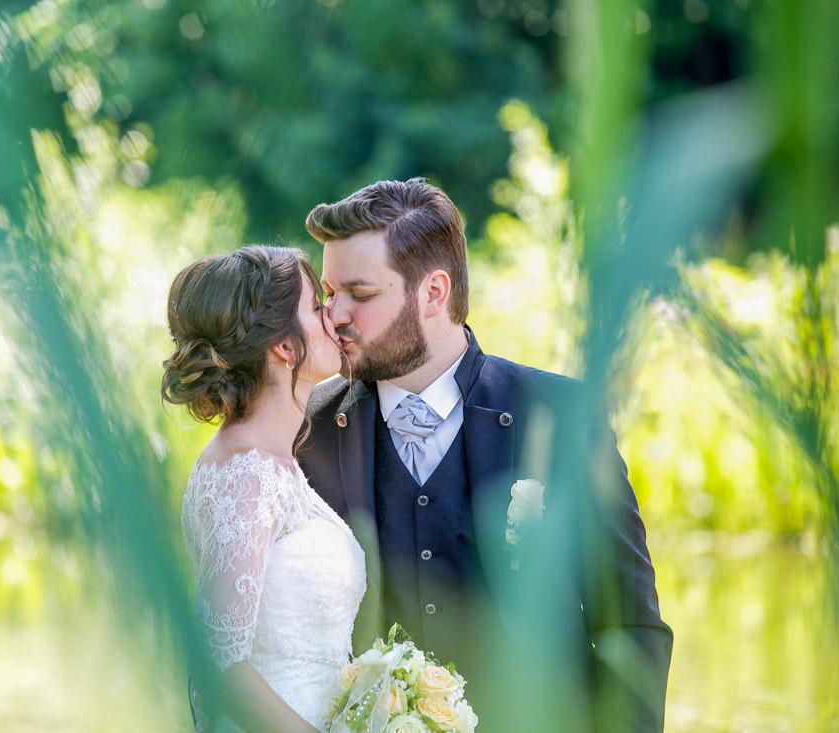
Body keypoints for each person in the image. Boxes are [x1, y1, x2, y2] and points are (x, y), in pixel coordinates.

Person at [297, 178, 673, 732]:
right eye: (329, 295)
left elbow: (631, 627)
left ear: (433, 292)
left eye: (361, 293)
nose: (337, 316)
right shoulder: (310, 426)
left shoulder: (561, 417)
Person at [163, 245, 364, 732]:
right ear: (285, 347)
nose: (333, 317)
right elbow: (219, 663)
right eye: (316, 307)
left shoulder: (271, 464)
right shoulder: (248, 473)